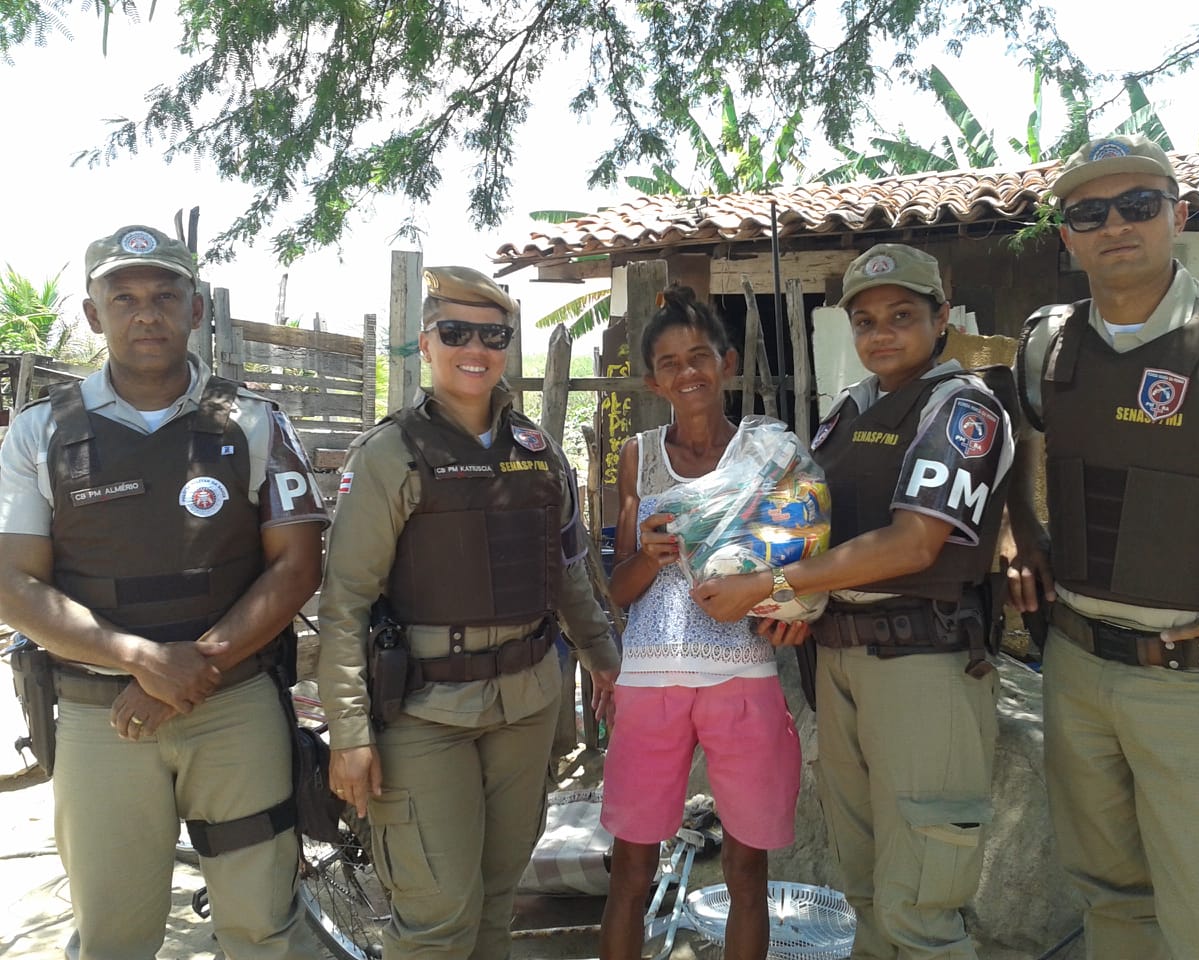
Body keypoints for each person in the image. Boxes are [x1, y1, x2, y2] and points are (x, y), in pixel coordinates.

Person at [0, 224, 329, 959]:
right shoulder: (40, 434)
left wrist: (191, 665)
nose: (146, 313)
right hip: (100, 719)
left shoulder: (254, 422)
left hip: (235, 710)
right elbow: (13, 585)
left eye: (164, 295)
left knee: (263, 928)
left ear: (197, 309)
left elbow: (299, 566)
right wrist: (140, 660)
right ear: (94, 315)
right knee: (115, 936)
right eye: (123, 298)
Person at [1004, 134, 1199, 959]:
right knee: (1113, 904)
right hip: (1079, 671)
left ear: (1178, 214)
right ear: (1067, 236)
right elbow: (1021, 447)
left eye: (1138, 205)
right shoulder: (1048, 343)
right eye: (1090, 212)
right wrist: (1025, 533)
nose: (1115, 224)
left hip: (1195, 685)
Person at [696, 244, 1014, 960]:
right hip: (838, 661)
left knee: (923, 908)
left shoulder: (960, 408)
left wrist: (772, 588)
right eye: (865, 320)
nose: (881, 334)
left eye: (902, 316)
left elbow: (913, 545)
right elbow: (810, 529)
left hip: (921, 665)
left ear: (941, 317)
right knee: (865, 894)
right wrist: (790, 606)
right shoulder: (850, 410)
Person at [316, 265, 621, 960]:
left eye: (493, 334)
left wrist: (605, 659)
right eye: (455, 332)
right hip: (425, 713)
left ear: (509, 345)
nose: (474, 349)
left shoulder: (539, 455)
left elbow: (566, 572)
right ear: (427, 343)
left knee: (495, 905)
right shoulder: (391, 454)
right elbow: (346, 605)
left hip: (526, 704)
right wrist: (350, 730)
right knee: (435, 920)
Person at [598, 287, 802, 960]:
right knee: (631, 871)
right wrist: (651, 556)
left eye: (701, 356)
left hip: (742, 677)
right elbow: (618, 586)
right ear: (653, 380)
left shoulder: (768, 451)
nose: (689, 372)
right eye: (671, 362)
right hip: (651, 681)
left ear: (728, 362)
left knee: (748, 872)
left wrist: (791, 608)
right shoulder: (639, 455)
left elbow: (800, 559)